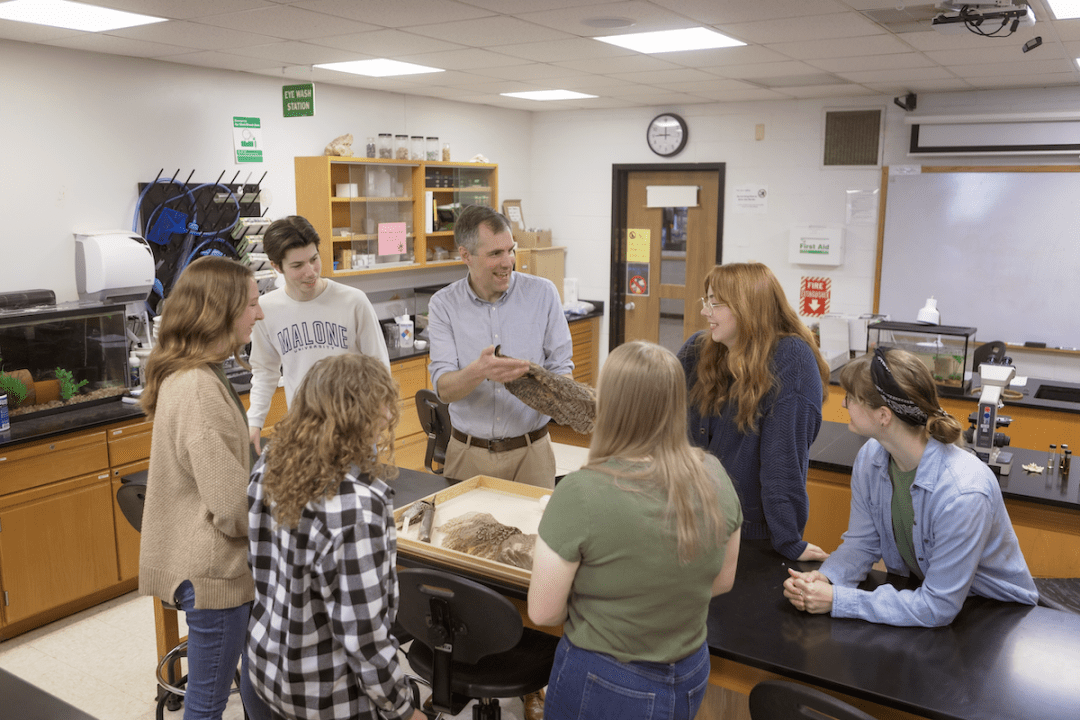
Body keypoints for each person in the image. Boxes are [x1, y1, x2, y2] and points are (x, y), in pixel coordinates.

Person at [528, 341, 742, 720]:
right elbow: (722, 581)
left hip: (607, 678)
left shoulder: (581, 492)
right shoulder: (715, 474)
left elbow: (544, 612)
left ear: (609, 403)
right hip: (690, 671)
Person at [783, 347, 1039, 627]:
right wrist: (827, 578)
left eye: (852, 398)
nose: (844, 405)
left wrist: (838, 600)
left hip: (996, 616)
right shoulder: (871, 458)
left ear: (884, 415)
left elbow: (936, 608)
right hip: (934, 598)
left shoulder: (963, 492)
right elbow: (862, 543)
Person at [246, 354, 424, 720]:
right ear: (352, 417)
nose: (389, 417)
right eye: (380, 407)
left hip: (266, 674)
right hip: (328, 698)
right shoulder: (356, 508)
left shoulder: (272, 461)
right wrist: (403, 708)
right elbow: (364, 636)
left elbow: (259, 565)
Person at [138, 256, 270, 720]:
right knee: (206, 704)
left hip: (217, 566)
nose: (260, 313)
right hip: (215, 573)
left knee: (258, 683)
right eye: (252, 304)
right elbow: (233, 505)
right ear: (222, 310)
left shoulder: (199, 373)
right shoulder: (197, 387)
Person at [678, 262, 831, 562]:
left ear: (748, 308)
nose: (705, 311)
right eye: (705, 301)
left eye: (715, 303)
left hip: (749, 534)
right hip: (689, 519)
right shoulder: (698, 350)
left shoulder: (792, 361)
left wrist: (788, 540)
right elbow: (657, 420)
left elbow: (782, 458)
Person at [427, 205, 573, 489]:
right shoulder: (444, 305)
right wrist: (480, 371)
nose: (508, 262)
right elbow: (443, 390)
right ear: (465, 255)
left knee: (534, 533)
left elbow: (563, 370)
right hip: (468, 455)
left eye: (511, 250)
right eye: (495, 253)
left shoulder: (543, 294)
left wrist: (549, 388)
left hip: (532, 453)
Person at [247, 215, 389, 453]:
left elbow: (379, 367)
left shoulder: (353, 301)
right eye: (297, 266)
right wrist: (255, 421)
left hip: (355, 432)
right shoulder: (267, 310)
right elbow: (265, 372)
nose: (310, 272)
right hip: (304, 435)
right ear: (276, 266)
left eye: (314, 259)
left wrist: (380, 415)